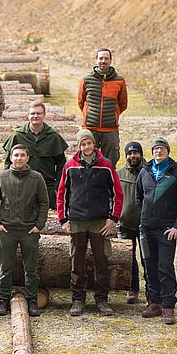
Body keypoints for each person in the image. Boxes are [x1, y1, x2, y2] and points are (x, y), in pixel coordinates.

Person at [57, 129, 123, 317]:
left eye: (89, 143)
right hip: (77, 221)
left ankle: (102, 300)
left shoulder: (106, 165)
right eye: (83, 144)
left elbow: (118, 194)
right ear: (79, 146)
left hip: (99, 222)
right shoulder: (70, 166)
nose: (87, 147)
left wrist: (113, 219)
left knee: (101, 261)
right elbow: (62, 193)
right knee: (77, 261)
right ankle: (78, 300)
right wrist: (63, 219)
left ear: (94, 144)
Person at [136, 138, 177, 325]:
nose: (158, 152)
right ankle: (154, 302)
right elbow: (138, 197)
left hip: (166, 229)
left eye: (161, 149)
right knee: (149, 265)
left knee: (165, 266)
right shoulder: (144, 171)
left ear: (167, 151)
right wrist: (144, 218)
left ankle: (168, 306)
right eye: (155, 149)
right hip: (146, 228)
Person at [0, 144, 49, 317]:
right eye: (16, 155)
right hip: (7, 230)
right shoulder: (2, 177)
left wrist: (39, 225)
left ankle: (32, 301)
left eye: (22, 155)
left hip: (29, 230)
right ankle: (2, 300)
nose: (19, 158)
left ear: (27, 158)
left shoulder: (36, 178)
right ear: (11, 158)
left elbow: (43, 202)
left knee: (30, 268)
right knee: (5, 267)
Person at [3, 101, 69, 209]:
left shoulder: (53, 137)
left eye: (39, 113)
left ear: (44, 115)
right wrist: (9, 182)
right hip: (22, 182)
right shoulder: (17, 136)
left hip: (47, 184)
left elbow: (61, 164)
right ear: (27, 115)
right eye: (33, 113)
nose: (35, 116)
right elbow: (7, 162)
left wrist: (57, 186)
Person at [77, 48, 128, 168]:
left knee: (110, 163)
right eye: (100, 58)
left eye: (106, 58)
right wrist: (89, 115)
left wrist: (112, 115)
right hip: (90, 128)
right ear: (96, 60)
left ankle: (108, 186)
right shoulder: (86, 79)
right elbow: (81, 101)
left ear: (110, 61)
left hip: (110, 130)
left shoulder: (119, 81)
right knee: (86, 162)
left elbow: (123, 104)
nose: (103, 61)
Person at [117, 141, 147, 304]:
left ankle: (152, 291)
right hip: (124, 224)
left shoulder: (149, 172)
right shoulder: (119, 173)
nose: (132, 156)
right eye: (129, 153)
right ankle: (132, 289)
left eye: (136, 153)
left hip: (145, 225)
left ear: (141, 154)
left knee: (147, 258)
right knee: (128, 259)